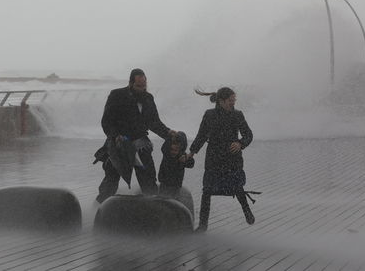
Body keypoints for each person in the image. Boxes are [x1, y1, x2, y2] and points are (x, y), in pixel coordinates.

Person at [95, 68, 175, 204]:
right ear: (131, 83)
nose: (141, 88)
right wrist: (115, 136)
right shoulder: (117, 95)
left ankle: (153, 209)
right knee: (111, 180)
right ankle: (99, 208)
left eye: (144, 85)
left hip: (140, 144)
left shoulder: (148, 98)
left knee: (149, 180)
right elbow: (106, 121)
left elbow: (154, 122)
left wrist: (168, 133)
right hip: (119, 144)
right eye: (138, 86)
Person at [182, 87, 254, 232]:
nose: (233, 104)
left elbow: (248, 134)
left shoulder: (237, 115)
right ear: (221, 101)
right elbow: (201, 135)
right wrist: (192, 153)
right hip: (214, 158)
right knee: (207, 191)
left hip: (232, 158)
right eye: (230, 101)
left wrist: (240, 143)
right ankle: (203, 225)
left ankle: (247, 211)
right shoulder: (209, 115)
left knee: (237, 188)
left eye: (234, 101)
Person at [158, 131, 194, 197]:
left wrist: (186, 158)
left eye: (176, 150)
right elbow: (164, 147)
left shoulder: (183, 156)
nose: (173, 152)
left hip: (176, 186)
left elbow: (191, 164)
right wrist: (170, 136)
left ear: (181, 148)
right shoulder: (166, 153)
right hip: (164, 183)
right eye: (171, 149)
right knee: (162, 199)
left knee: (175, 200)